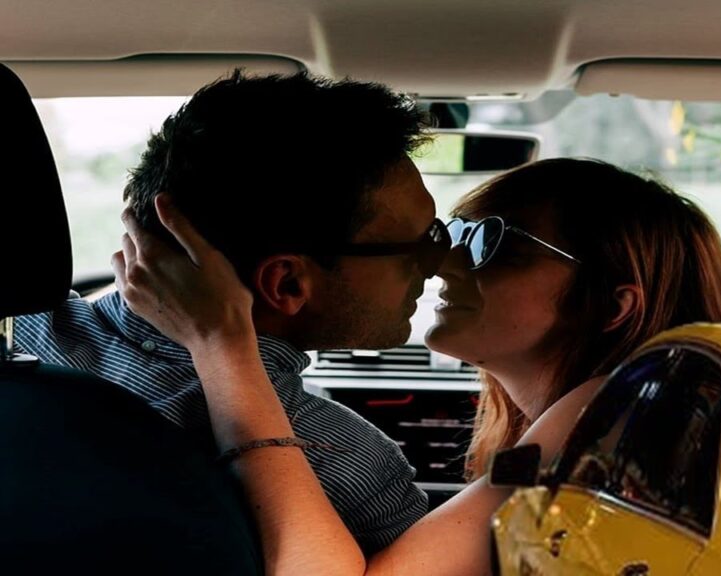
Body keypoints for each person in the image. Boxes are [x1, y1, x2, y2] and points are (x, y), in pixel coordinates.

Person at [115, 157, 721, 574]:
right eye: (455, 233)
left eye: (492, 241)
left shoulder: (614, 413)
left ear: (612, 306)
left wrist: (224, 345)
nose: (442, 263)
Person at [14, 70, 446, 552]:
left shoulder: (16, 350)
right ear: (286, 283)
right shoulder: (351, 466)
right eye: (422, 245)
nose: (438, 265)